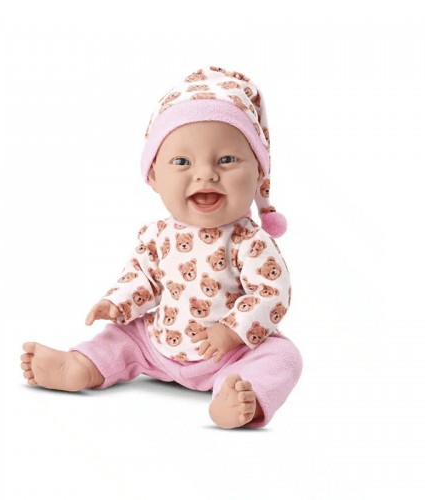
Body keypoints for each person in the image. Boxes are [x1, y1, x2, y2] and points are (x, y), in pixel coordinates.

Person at [20, 66, 303, 429]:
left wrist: (233, 330)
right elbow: (143, 277)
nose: (206, 174)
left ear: (259, 173)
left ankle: (239, 395)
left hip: (231, 354)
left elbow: (271, 293)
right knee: (123, 336)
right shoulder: (157, 235)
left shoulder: (250, 242)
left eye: (227, 160)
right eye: (182, 162)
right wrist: (117, 302)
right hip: (158, 344)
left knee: (283, 356)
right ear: (153, 176)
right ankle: (80, 365)